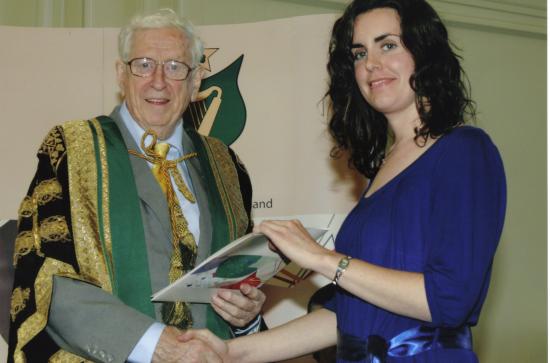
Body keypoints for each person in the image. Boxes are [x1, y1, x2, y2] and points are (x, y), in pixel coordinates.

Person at [180, 0, 507, 362]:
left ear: (424, 51)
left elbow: (449, 300)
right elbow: (347, 315)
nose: (371, 64)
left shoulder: (465, 151)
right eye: (359, 53)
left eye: (388, 45)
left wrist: (321, 258)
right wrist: (229, 352)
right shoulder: (384, 167)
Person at [8, 9, 266, 363]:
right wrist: (154, 344)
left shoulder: (226, 166)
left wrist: (245, 318)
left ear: (195, 84)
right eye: (143, 64)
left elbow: (235, 276)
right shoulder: (70, 150)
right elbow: (46, 279)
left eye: (175, 67)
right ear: (121, 74)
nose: (158, 81)